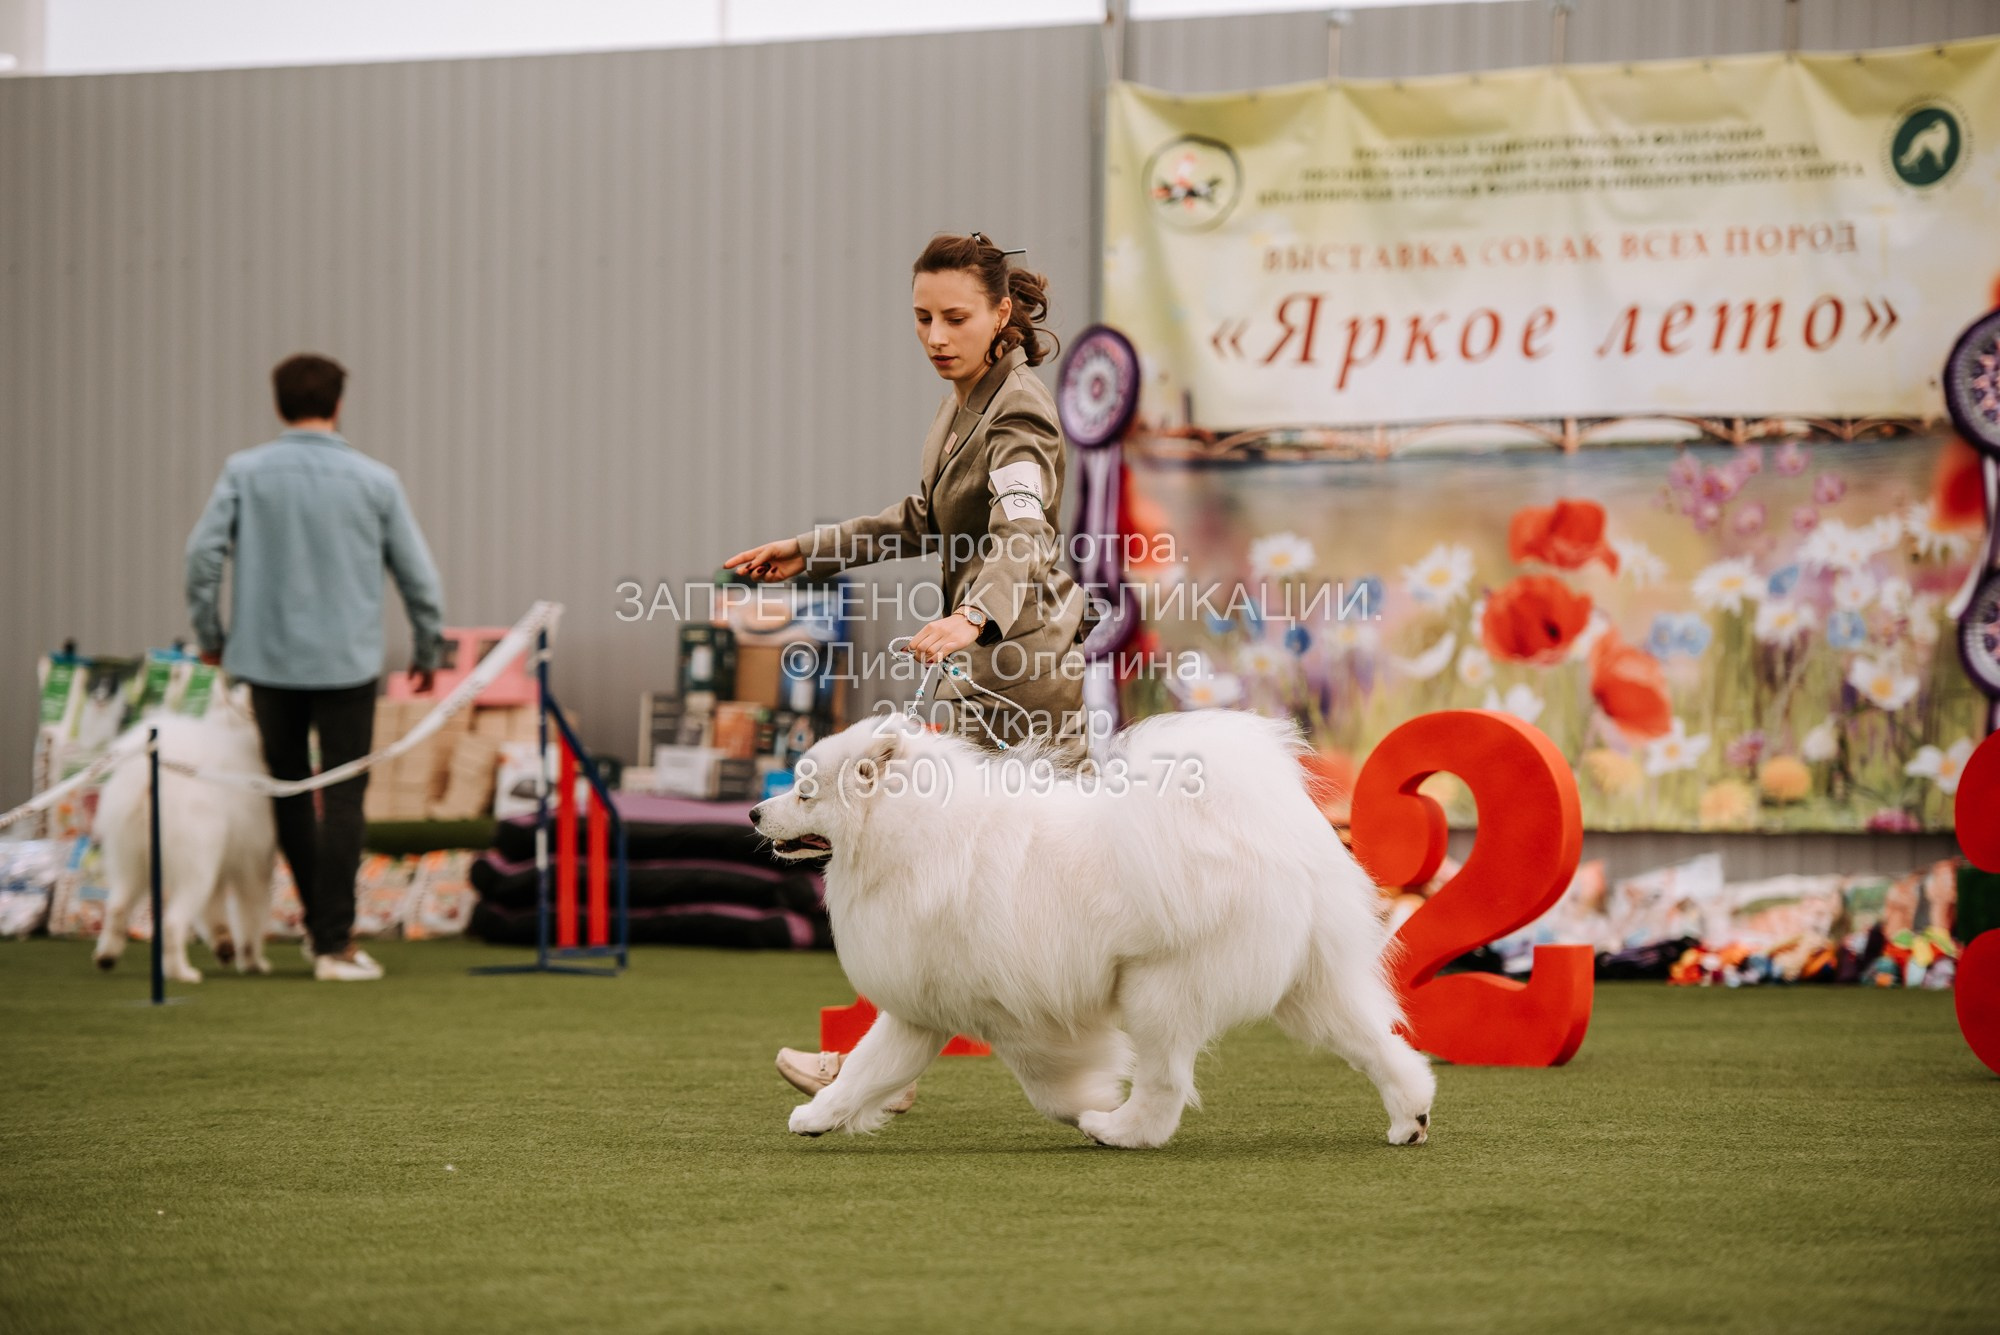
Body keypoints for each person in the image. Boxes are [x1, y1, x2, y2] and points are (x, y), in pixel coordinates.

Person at [723, 232, 1094, 1107]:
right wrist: (809, 551)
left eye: (955, 317)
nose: (935, 334)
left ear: (1003, 314)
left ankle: (1114, 1061)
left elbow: (1022, 531)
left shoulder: (1022, 416)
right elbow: (923, 519)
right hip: (977, 675)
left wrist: (972, 613)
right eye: (922, 317)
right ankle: (876, 1074)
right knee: (925, 876)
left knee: (1065, 890)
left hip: (1021, 684)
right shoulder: (964, 400)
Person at [185, 353, 446, 982]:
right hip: (347, 663)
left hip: (266, 662)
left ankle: (318, 928)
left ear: (279, 405)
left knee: (289, 791)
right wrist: (428, 649)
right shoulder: (376, 480)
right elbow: (420, 578)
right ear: (338, 404)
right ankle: (333, 941)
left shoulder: (244, 472)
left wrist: (212, 635)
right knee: (344, 796)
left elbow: (202, 557)